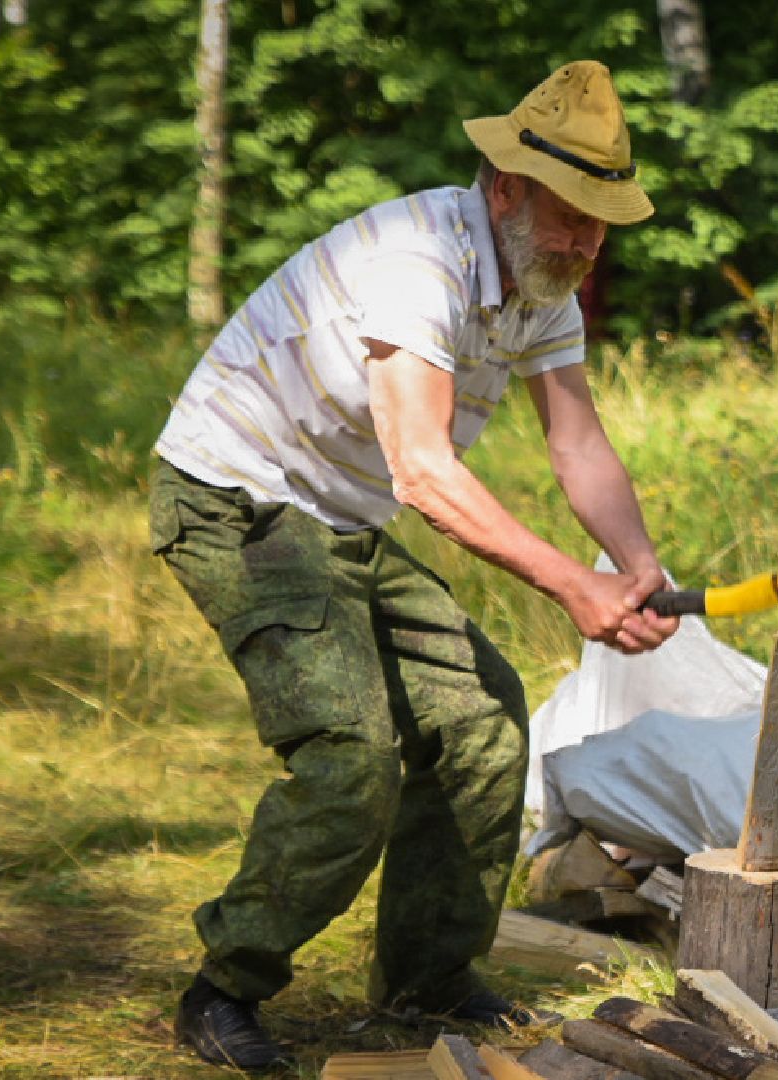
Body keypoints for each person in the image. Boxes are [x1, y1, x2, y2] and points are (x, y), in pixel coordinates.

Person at [149, 60, 680, 1072]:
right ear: (507, 187)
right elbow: (425, 472)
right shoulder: (419, 258)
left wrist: (637, 563)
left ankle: (427, 980)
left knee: (482, 719)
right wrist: (574, 585)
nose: (582, 242)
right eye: (568, 213)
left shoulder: (541, 282)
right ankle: (224, 987)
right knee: (353, 757)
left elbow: (577, 443)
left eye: (600, 221)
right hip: (235, 497)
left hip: (338, 516)